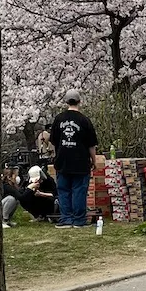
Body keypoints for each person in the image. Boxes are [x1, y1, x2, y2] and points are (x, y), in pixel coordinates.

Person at [49, 90, 98, 228]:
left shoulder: (58, 119)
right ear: (79, 101)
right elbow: (91, 145)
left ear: (66, 102)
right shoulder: (84, 120)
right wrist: (94, 160)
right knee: (79, 191)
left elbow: (54, 142)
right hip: (80, 162)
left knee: (63, 191)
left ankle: (66, 219)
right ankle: (79, 220)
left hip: (62, 161)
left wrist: (56, 157)